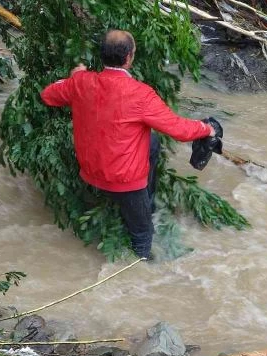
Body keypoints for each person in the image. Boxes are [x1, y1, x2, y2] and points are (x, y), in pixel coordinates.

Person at [40, 30, 216, 259]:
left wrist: (74, 78)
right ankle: (142, 263)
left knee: (152, 141)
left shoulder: (81, 82)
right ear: (129, 58)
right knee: (143, 234)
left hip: (90, 170)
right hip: (124, 181)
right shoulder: (140, 94)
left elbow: (48, 95)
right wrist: (207, 128)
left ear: (102, 54)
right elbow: (179, 130)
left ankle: (146, 201)